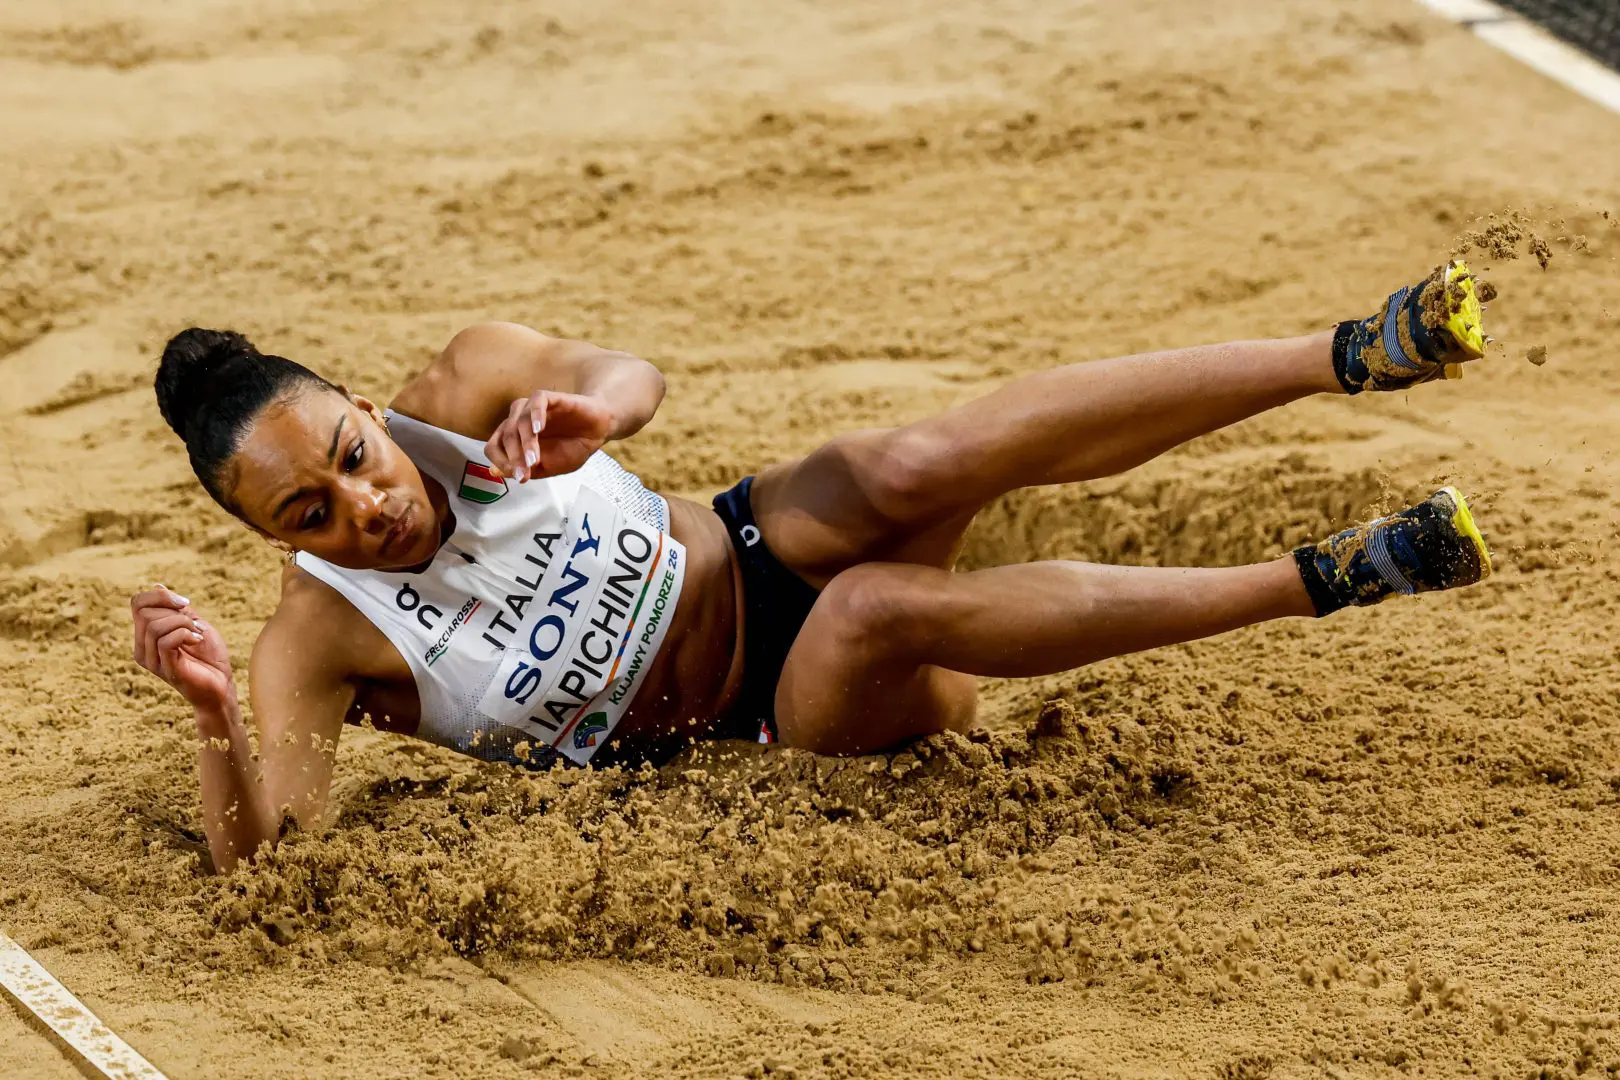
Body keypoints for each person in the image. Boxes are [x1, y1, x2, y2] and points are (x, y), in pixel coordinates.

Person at [132, 260, 1494, 872]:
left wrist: (602, 412)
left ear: (373, 408)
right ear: (274, 544)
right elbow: (275, 858)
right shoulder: (315, 644)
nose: (362, 509)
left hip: (743, 535)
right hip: (759, 725)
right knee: (877, 608)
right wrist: (212, 722)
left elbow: (627, 373)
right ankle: (1334, 575)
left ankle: (1353, 352)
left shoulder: (472, 382)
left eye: (356, 457)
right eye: (309, 514)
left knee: (905, 467)